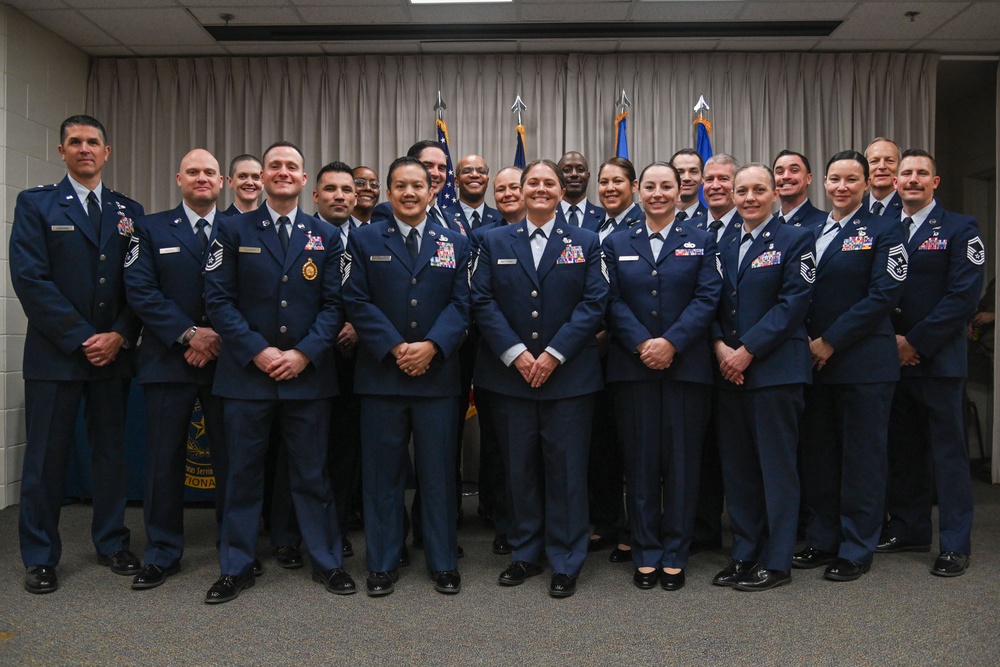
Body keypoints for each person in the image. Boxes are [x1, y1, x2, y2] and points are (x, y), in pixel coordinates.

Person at [203, 141, 353, 603]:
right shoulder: (231, 229)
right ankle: (236, 565)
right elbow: (218, 301)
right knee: (243, 475)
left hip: (307, 377)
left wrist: (305, 353)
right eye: (275, 166)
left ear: (304, 179)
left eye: (292, 167)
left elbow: (334, 306)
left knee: (311, 475)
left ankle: (326, 561)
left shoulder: (323, 235)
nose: (284, 172)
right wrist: (259, 351)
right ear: (262, 176)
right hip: (248, 376)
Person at [10, 114, 144, 594]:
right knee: (46, 458)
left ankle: (111, 541)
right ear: (62, 151)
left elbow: (139, 285)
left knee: (111, 454)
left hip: (113, 355)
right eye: (75, 142)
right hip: (57, 355)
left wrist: (120, 335)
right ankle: (41, 556)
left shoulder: (130, 211)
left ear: (107, 152)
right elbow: (30, 280)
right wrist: (83, 336)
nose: (84, 149)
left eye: (93, 142)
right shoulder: (37, 204)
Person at [472, 159, 608, 598]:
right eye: (534, 182)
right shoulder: (493, 241)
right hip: (509, 377)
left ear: (559, 190)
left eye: (549, 182)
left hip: (569, 377)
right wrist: (515, 354)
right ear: (521, 188)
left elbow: (594, 303)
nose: (542, 189)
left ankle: (566, 559)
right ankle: (525, 552)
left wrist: (552, 353)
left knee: (567, 471)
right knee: (520, 469)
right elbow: (482, 300)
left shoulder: (586, 241)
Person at [342, 156, 471, 596]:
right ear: (389, 192)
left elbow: (462, 304)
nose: (410, 193)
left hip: (436, 377)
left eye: (418, 185)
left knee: (438, 474)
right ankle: (381, 561)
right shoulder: (364, 240)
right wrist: (398, 348)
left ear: (432, 190)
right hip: (382, 376)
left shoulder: (455, 241)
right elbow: (355, 301)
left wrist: (432, 346)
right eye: (401, 186)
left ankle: (442, 560)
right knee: (382, 474)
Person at [604, 161, 721, 591]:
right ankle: (645, 551)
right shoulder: (617, 242)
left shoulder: (703, 240)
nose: (657, 193)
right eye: (649, 186)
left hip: (686, 368)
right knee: (639, 465)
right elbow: (610, 300)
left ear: (680, 190)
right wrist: (642, 343)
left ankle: (675, 551)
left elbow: (709, 297)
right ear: (638, 190)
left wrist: (671, 342)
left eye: (666, 186)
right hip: (632, 369)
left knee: (682, 465)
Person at [792, 150, 907, 582]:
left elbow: (883, 296)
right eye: (835, 179)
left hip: (862, 364)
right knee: (820, 457)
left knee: (862, 459)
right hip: (813, 364)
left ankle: (857, 547)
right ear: (823, 182)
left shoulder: (885, 229)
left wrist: (829, 341)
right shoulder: (809, 230)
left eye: (851, 180)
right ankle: (823, 538)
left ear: (866, 185)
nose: (842, 187)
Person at [124, 148, 232, 590]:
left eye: (209, 172)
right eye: (193, 172)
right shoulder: (147, 228)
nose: (202, 178)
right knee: (163, 461)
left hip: (227, 363)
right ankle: (162, 552)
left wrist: (216, 339)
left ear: (221, 182)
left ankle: (234, 546)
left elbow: (247, 293)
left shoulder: (239, 228)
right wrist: (192, 335)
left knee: (232, 460)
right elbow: (140, 290)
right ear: (178, 178)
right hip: (168, 361)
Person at [880, 149, 985, 577]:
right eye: (906, 173)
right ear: (895, 182)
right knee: (903, 451)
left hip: (938, 360)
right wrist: (893, 342)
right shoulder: (885, 229)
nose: (912, 179)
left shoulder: (961, 228)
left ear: (935, 183)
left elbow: (963, 297)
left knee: (948, 456)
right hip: (891, 359)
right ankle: (909, 528)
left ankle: (956, 544)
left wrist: (915, 341)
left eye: (922, 173)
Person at [711, 163, 815, 592]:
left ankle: (777, 560)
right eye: (742, 191)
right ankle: (745, 551)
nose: (749, 198)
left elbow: (794, 303)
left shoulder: (797, 238)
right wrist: (720, 347)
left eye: (758, 190)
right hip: (728, 372)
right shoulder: (722, 240)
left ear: (775, 193)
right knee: (739, 471)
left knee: (776, 470)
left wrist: (747, 350)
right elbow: (709, 302)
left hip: (774, 371)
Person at [589, 157, 643, 562]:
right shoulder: (592, 230)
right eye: (604, 182)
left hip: (631, 352)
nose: (609, 188)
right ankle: (605, 521)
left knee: (633, 450)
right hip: (592, 355)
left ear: (634, 186)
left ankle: (632, 529)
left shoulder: (643, 226)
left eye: (617, 182)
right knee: (602, 445)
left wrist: (614, 333)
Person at [689, 153, 742, 552]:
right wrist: (716, 342)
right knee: (701, 452)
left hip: (745, 359)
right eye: (710, 179)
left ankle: (747, 536)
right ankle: (704, 530)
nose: (716, 185)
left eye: (725, 179)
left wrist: (734, 349)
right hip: (699, 355)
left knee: (740, 454)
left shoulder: (752, 227)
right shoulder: (687, 228)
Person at [313, 161, 363, 558]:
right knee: (312, 449)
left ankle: (341, 524)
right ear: (317, 195)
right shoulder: (302, 232)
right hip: (311, 357)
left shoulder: (370, 236)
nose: (340, 197)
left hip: (362, 356)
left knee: (348, 447)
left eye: (347, 190)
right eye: (331, 190)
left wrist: (358, 326)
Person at [473, 166, 523, 556]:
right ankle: (507, 524)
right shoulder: (483, 239)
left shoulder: (571, 240)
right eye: (501, 188)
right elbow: (480, 300)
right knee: (502, 452)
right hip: (499, 360)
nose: (507, 193)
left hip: (552, 363)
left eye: (515, 187)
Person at [772, 150, 828, 228]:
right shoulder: (766, 223)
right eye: (780, 172)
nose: (786, 176)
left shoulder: (825, 222)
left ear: (808, 178)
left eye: (794, 170)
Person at [451, 154, 502, 230]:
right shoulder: (443, 218)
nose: (474, 175)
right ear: (456, 181)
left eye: (481, 171)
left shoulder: (502, 219)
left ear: (487, 181)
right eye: (467, 171)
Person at [557, 151, 604, 230]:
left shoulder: (604, 216)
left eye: (580, 169)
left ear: (588, 176)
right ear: (558, 176)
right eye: (567, 170)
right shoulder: (546, 215)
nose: (574, 174)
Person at [862, 138, 903, 219]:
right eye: (874, 161)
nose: (882, 166)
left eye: (890, 160)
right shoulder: (855, 207)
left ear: (900, 166)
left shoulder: (909, 207)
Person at [669, 148, 708, 222]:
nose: (686, 178)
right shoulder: (656, 219)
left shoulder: (711, 221)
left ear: (702, 177)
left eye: (693, 172)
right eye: (680, 172)